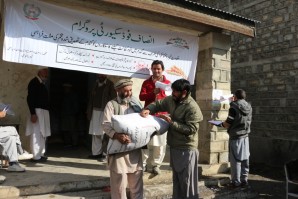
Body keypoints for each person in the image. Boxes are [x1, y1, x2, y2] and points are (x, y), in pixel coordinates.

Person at [140, 79, 203, 199]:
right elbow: (158, 104)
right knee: (178, 181)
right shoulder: (172, 99)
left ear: (184, 92)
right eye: (172, 90)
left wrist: (171, 122)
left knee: (187, 183)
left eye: (175, 91)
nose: (173, 93)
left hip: (187, 148)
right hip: (175, 146)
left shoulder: (192, 107)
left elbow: (191, 129)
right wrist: (149, 109)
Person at [102, 79, 143, 199]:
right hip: (118, 150)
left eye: (130, 90)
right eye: (126, 91)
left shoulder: (136, 103)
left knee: (136, 182)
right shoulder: (111, 105)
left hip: (134, 149)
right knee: (119, 185)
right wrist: (117, 136)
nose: (129, 93)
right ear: (118, 91)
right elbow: (105, 124)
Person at [139, 60, 171, 175]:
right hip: (148, 116)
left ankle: (156, 165)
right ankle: (142, 164)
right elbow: (141, 97)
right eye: (154, 68)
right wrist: (153, 93)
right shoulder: (146, 82)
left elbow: (171, 99)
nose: (156, 71)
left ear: (162, 70)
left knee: (161, 143)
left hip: (162, 116)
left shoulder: (168, 83)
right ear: (151, 69)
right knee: (144, 141)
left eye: (158, 69)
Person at [216, 89, 252, 188]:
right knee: (245, 158)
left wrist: (219, 124)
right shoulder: (249, 106)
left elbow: (227, 124)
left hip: (236, 137)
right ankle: (244, 180)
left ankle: (235, 182)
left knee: (235, 160)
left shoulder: (233, 107)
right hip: (245, 136)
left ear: (235, 97)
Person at [87, 74, 116, 161]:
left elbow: (114, 98)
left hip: (105, 112)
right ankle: (96, 153)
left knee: (105, 133)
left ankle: (104, 154)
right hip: (95, 111)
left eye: (101, 75)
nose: (100, 76)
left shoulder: (110, 85)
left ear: (105, 75)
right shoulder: (96, 84)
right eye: (99, 75)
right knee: (95, 133)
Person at [26, 67, 51, 162]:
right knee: (36, 133)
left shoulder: (41, 83)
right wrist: (33, 113)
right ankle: (36, 156)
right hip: (37, 112)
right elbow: (30, 99)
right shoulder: (34, 82)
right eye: (45, 71)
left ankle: (41, 153)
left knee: (42, 133)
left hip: (43, 111)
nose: (46, 74)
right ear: (40, 71)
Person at [60, 83, 79, 148]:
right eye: (65, 88)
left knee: (72, 129)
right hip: (64, 115)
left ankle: (74, 143)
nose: (66, 89)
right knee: (65, 129)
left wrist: (74, 113)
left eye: (67, 88)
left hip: (71, 115)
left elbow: (76, 106)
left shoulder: (73, 95)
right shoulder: (63, 95)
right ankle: (67, 143)